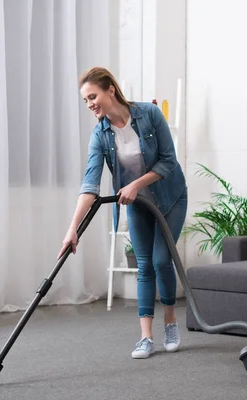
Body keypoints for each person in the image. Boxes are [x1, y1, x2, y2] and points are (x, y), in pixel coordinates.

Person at [58, 66, 188, 359]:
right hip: (137, 204)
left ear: (110, 91)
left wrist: (136, 184)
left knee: (161, 259)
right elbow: (90, 184)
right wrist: (73, 229)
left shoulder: (149, 115)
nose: (90, 104)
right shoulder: (100, 135)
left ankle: (170, 322)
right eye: (85, 100)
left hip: (170, 198)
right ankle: (145, 338)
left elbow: (168, 161)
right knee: (144, 265)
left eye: (93, 96)